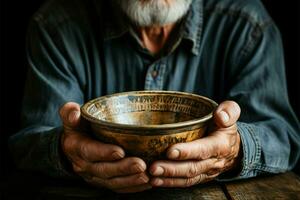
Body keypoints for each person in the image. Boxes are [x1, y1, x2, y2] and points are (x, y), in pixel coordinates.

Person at [9, 0, 300, 194]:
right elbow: (29, 141)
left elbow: (282, 135)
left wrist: (234, 150)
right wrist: (65, 150)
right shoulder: (56, 25)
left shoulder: (247, 24)